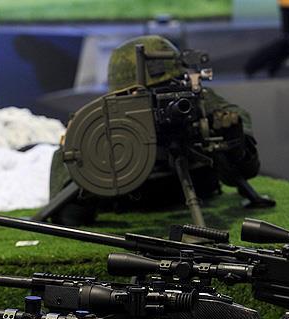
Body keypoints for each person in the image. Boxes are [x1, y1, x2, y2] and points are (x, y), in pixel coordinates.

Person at [43, 35, 273, 225]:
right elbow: (69, 215)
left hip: (199, 194)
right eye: (147, 95)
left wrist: (233, 141)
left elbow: (245, 167)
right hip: (126, 206)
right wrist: (103, 160)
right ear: (122, 96)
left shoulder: (201, 103)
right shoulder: (99, 125)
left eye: (172, 87)